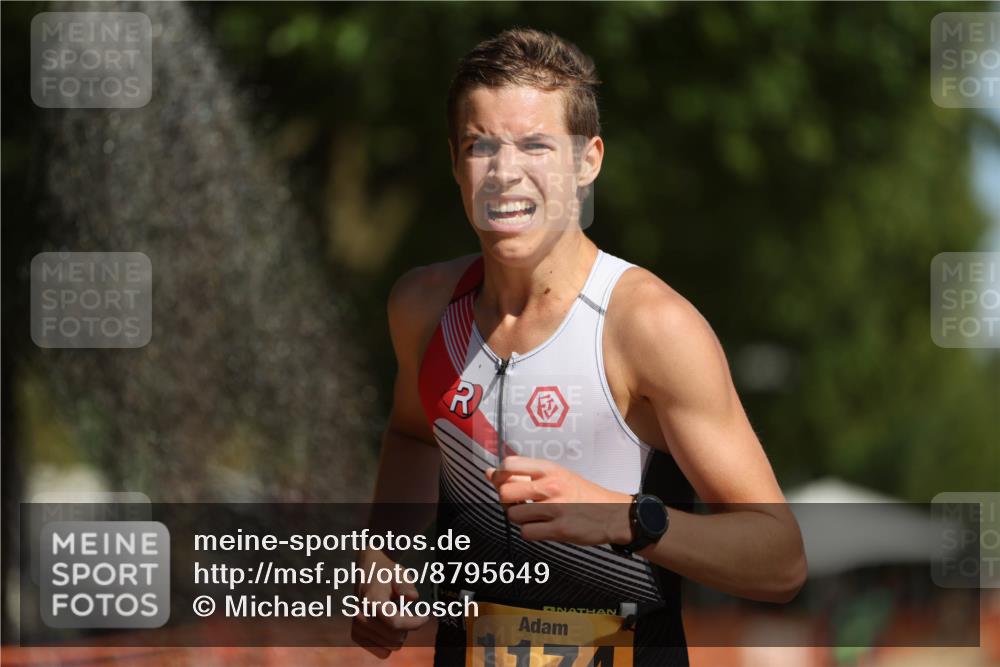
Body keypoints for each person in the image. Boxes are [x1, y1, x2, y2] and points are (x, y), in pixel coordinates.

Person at [352, 27, 807, 667]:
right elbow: (412, 435)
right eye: (482, 145)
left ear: (587, 160)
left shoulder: (646, 326)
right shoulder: (423, 309)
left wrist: (627, 518)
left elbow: (781, 559)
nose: (505, 173)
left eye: (536, 145)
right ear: (455, 161)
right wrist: (387, 559)